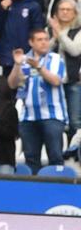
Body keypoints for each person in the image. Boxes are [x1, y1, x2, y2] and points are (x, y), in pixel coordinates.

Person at [8, 25, 68, 173]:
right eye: (40, 40)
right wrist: (16, 65)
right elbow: (12, 84)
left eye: (46, 39)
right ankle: (34, 191)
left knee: (55, 156)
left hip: (52, 115)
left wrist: (39, 67)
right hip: (28, 117)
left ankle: (58, 190)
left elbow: (55, 81)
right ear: (31, 42)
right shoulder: (23, 60)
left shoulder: (55, 58)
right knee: (31, 158)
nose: (44, 42)